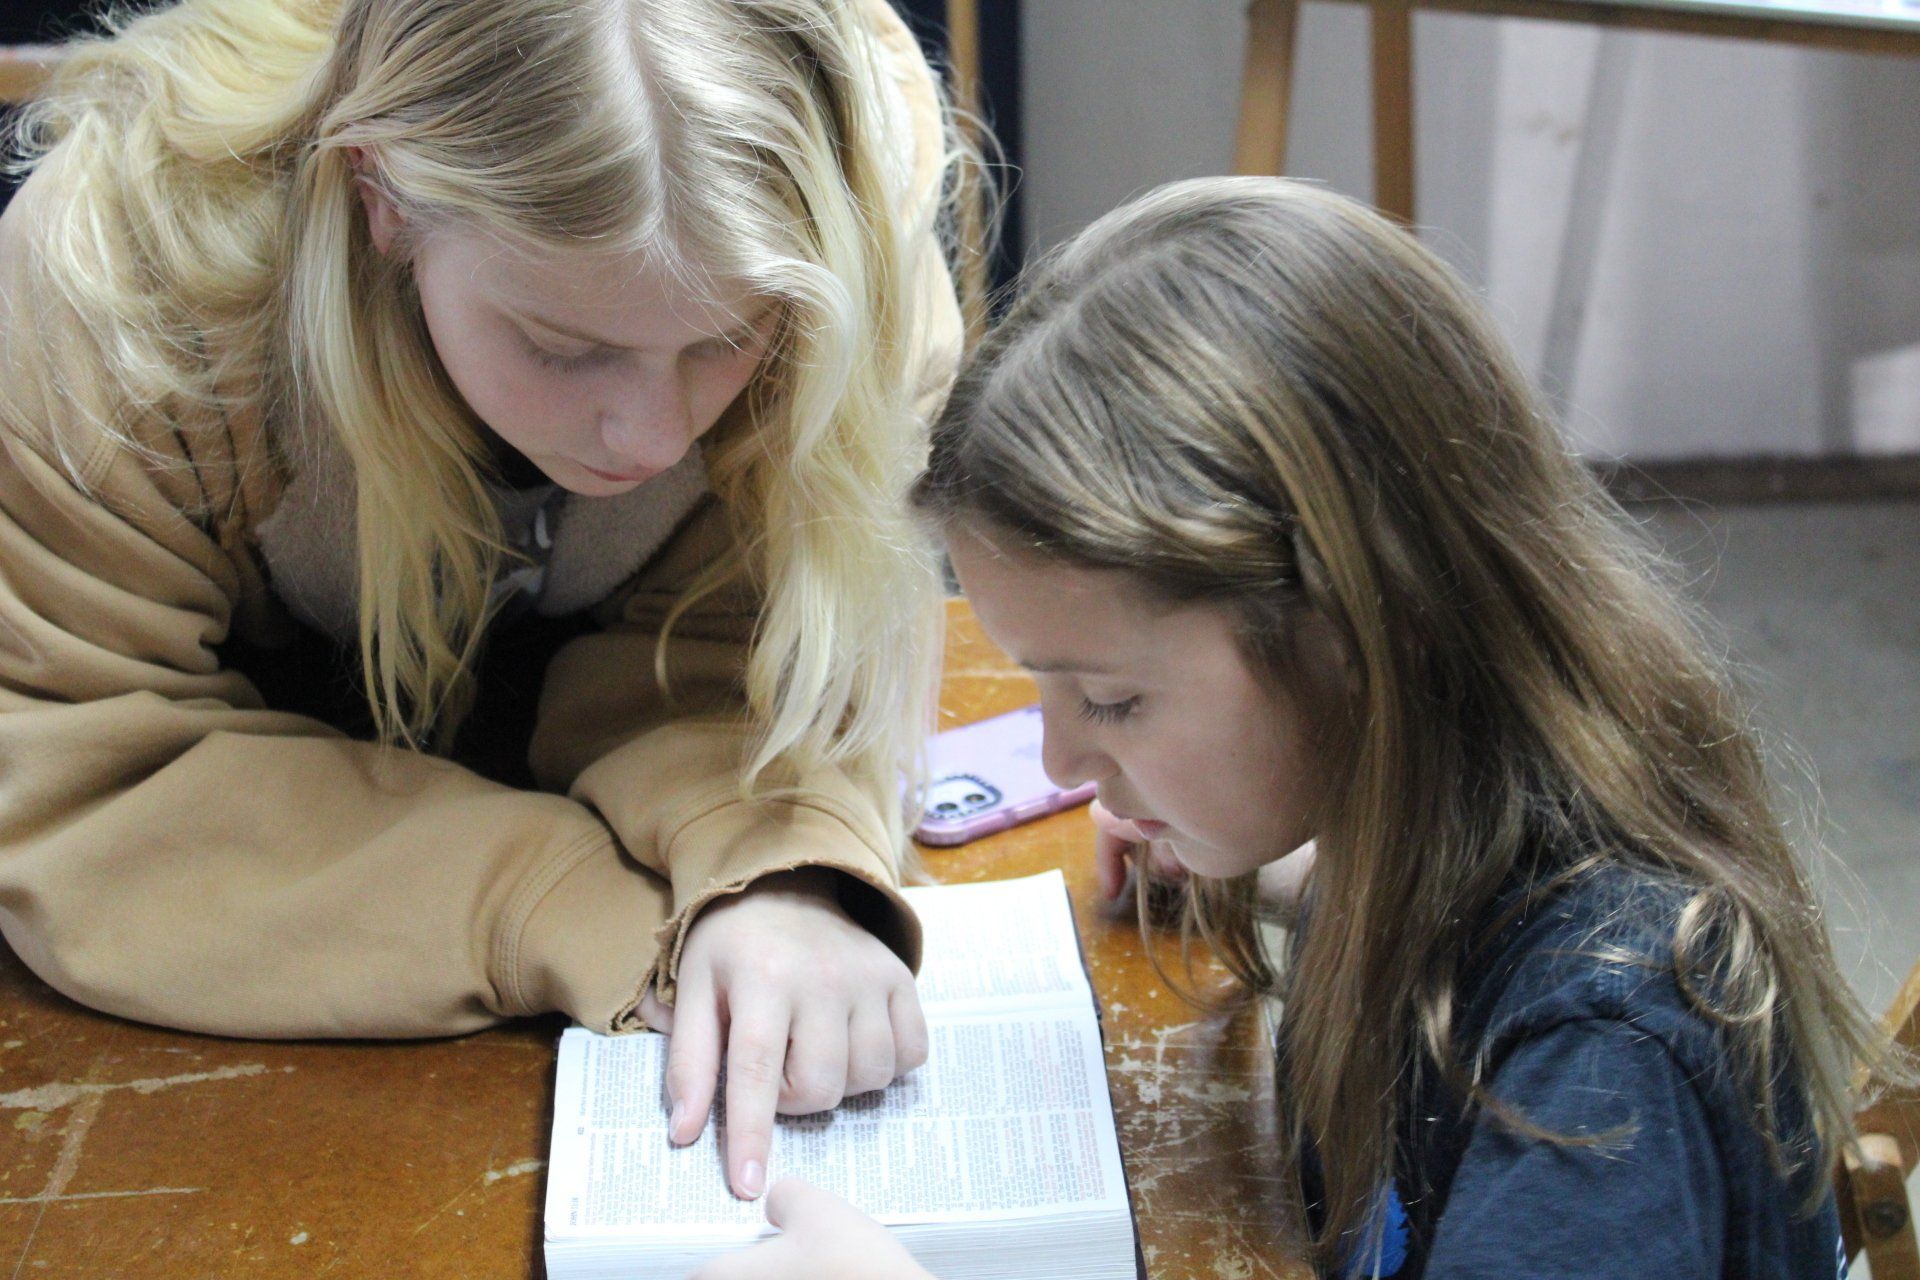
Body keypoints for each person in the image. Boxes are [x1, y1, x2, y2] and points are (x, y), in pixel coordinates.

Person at [695, 177, 1903, 1277]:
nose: (1064, 763)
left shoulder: (1598, 1075)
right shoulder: (1455, 849)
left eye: (1112, 699)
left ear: (1359, 636)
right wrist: (1324, 875)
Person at [0, 0, 965, 1201]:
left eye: (728, 340)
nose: (654, 434)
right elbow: (85, 775)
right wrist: (571, 906)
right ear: (382, 196)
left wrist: (778, 871)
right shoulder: (121, 280)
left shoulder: (847, 256)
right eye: (564, 346)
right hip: (259, 911)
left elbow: (741, 654)